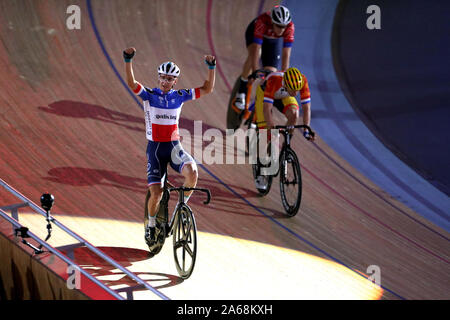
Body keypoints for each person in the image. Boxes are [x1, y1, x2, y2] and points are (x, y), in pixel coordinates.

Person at [123, 47, 216, 247]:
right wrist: (128, 60)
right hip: (156, 150)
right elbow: (131, 83)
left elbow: (207, 88)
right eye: (162, 78)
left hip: (174, 148)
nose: (165, 82)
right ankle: (151, 224)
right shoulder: (149, 95)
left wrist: (211, 67)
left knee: (192, 171)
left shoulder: (180, 96)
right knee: (156, 193)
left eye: (169, 79)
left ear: (175, 82)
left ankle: (180, 210)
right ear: (159, 79)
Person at [253, 67, 315, 189]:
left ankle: (285, 146)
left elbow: (306, 108)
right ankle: (260, 171)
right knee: (266, 133)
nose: (296, 93)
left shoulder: (302, 81)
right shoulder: (274, 81)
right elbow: (266, 109)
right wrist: (271, 127)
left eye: (297, 90)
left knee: (294, 114)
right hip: (265, 95)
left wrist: (307, 130)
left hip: (283, 96)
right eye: (293, 90)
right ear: (285, 84)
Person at [233, 5, 295, 112]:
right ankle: (241, 91)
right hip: (254, 34)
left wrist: (284, 76)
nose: (281, 29)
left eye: (283, 26)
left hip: (271, 42)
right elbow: (256, 49)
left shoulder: (289, 27)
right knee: (256, 53)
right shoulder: (262, 22)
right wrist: (255, 72)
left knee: (272, 73)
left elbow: (286, 54)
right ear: (272, 22)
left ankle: (259, 106)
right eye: (279, 26)